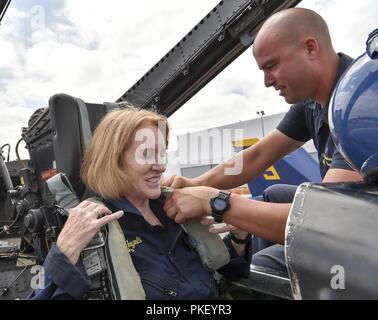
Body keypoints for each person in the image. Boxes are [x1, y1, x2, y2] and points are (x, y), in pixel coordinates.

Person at [163, 7, 363, 275]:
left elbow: (324, 219)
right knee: (273, 195)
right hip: (355, 213)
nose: (267, 82)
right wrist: (197, 184)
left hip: (361, 228)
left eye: (271, 66)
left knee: (264, 265)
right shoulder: (314, 102)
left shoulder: (359, 105)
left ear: (310, 48)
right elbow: (256, 157)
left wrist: (215, 201)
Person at [29, 107, 251, 300]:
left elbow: (221, 277)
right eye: (146, 155)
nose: (161, 166)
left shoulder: (175, 209)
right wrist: (62, 252)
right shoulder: (92, 228)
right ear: (114, 161)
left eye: (162, 155)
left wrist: (240, 238)